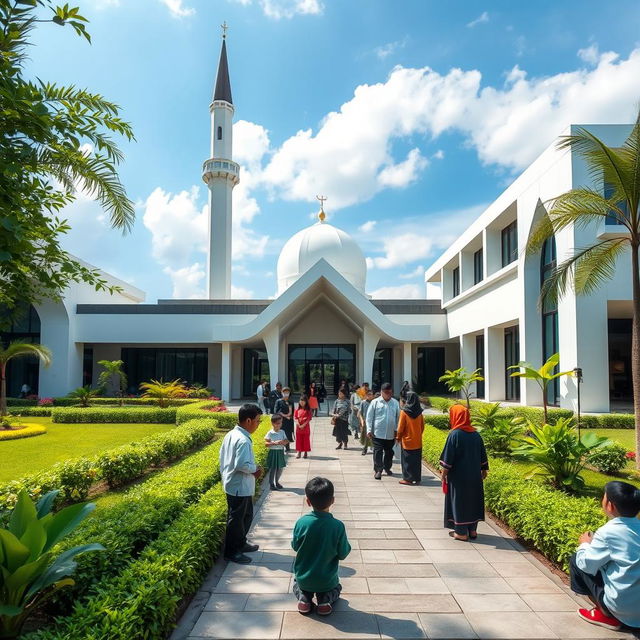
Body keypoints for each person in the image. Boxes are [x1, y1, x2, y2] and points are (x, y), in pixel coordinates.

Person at [569, 480, 640, 631]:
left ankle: (606, 613)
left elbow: (586, 564)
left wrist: (585, 544)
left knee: (577, 559)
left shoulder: (608, 532)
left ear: (610, 505)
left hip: (624, 608)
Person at [292, 477, 351, 616]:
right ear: (332, 500)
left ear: (308, 501)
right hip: (327, 580)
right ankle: (325, 601)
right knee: (337, 587)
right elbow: (343, 553)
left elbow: (295, 546)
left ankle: (304, 599)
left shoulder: (301, 523)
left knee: (296, 582)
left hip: (304, 578)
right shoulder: (337, 526)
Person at [219, 403, 263, 564]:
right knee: (236, 521)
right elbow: (241, 465)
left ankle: (241, 543)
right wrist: (255, 469)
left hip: (235, 484)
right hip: (239, 486)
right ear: (249, 420)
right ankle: (231, 552)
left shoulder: (231, 434)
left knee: (246, 516)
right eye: (258, 421)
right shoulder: (243, 440)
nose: (258, 425)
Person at [439, 404, 489, 541]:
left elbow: (448, 459)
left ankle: (461, 532)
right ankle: (472, 530)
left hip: (459, 477)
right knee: (472, 500)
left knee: (459, 502)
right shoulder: (476, 435)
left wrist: (443, 474)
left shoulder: (454, 435)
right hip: (474, 477)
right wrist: (484, 470)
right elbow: (483, 457)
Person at [366, 382, 400, 480]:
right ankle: (378, 470)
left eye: (390, 392)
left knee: (389, 453)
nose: (388, 394)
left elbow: (398, 418)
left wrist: (397, 430)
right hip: (377, 433)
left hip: (391, 434)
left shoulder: (395, 403)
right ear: (381, 392)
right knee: (378, 452)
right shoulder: (375, 402)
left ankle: (387, 467)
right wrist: (369, 430)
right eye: (386, 392)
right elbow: (369, 417)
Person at [396, 391, 424, 485]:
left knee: (407, 461)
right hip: (417, 441)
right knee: (416, 461)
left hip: (407, 441)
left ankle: (408, 479)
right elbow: (422, 427)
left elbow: (400, 428)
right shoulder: (420, 413)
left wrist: (398, 437)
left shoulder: (404, 412)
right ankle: (417, 478)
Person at [265, 414, 288, 490]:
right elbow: (266, 444)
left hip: (280, 452)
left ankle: (277, 482)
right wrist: (274, 443)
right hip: (273, 452)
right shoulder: (270, 433)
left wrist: (283, 442)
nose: (279, 425)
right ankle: (271, 484)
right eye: (277, 423)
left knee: (280, 468)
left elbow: (286, 441)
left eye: (281, 423)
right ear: (272, 423)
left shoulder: (282, 432)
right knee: (273, 468)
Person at [273, 387, 294, 452]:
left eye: (287, 392)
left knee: (288, 434)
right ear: (282, 393)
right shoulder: (278, 401)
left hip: (288, 421)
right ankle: (281, 447)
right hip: (281, 421)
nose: (286, 394)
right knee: (281, 434)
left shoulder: (290, 401)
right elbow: (276, 411)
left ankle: (287, 447)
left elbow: (293, 411)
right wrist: (283, 415)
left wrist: (290, 416)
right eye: (284, 392)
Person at [294, 394, 312, 459]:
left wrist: (303, 425)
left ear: (306, 402)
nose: (302, 402)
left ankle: (305, 452)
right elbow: (295, 418)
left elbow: (309, 419)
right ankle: (299, 452)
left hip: (306, 428)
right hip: (298, 428)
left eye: (303, 401)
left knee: (306, 440)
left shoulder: (308, 410)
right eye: (301, 400)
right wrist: (298, 424)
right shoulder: (297, 410)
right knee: (298, 440)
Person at [358, 388, 374, 455]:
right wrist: (362, 421)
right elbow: (360, 413)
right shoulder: (363, 402)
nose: (370, 396)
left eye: (371, 394)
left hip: (373, 421)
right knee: (366, 435)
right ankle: (365, 448)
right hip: (365, 421)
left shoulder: (374, 402)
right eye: (368, 394)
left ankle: (369, 448)